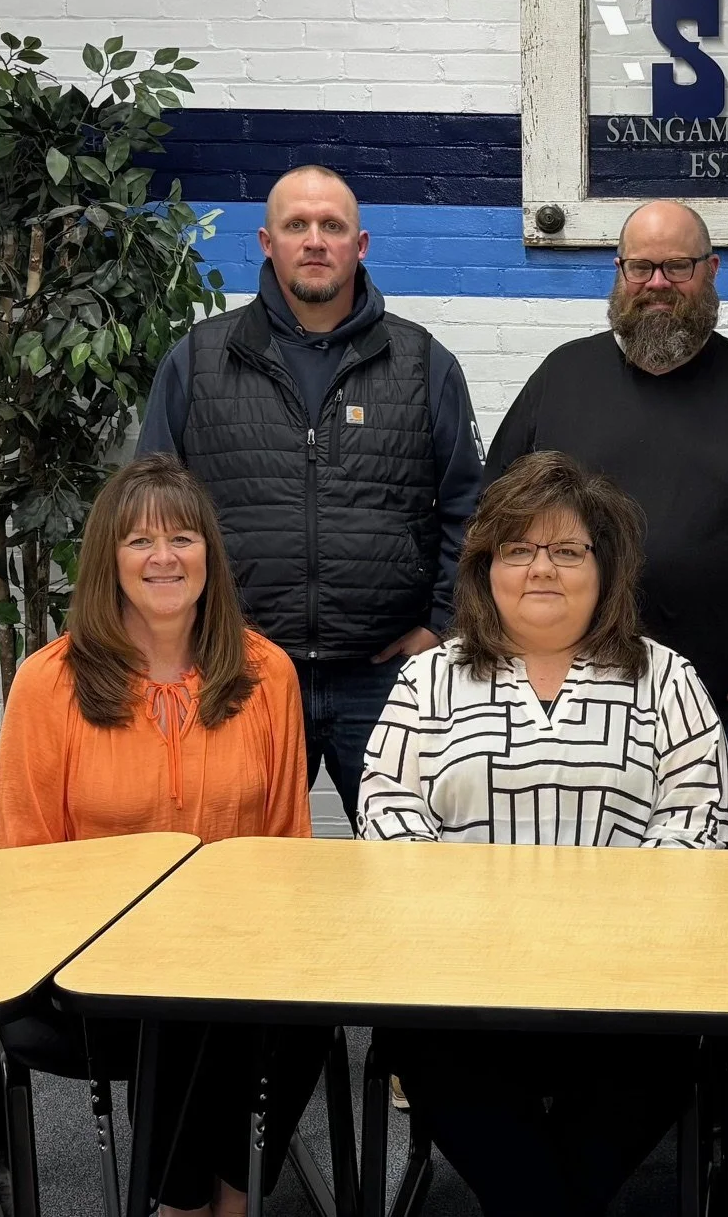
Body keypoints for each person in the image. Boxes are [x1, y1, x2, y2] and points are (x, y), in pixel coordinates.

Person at [357, 450, 728, 1216]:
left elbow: (697, 827)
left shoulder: (667, 679)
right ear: (486, 568)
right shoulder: (430, 678)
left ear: (607, 567)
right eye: (519, 549)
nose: (542, 570)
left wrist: (603, 936)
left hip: (627, 988)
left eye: (567, 551)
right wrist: (478, 930)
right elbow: (387, 815)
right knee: (428, 1053)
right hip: (460, 985)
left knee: (663, 1060)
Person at [0, 454, 319, 1217]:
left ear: (210, 555)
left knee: (304, 1009)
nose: (164, 557)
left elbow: (284, 848)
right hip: (85, 962)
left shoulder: (268, 676)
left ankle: (233, 1196)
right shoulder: (50, 682)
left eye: (182, 538)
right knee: (184, 1003)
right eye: (139, 541)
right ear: (109, 559)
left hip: (235, 949)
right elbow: (19, 862)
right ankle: (180, 1206)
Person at [137, 163, 483, 823]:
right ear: (268, 243)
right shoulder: (199, 360)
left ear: (361, 245)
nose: (315, 240)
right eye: (297, 225)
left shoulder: (423, 363)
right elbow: (151, 515)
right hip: (241, 674)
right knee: (235, 865)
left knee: (405, 870)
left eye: (333, 226)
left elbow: (471, 510)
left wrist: (440, 626)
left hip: (384, 678)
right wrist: (193, 636)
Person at [484, 198, 728, 731]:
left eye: (678, 266)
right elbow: (494, 519)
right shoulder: (561, 377)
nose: (657, 284)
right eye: (641, 267)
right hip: (573, 694)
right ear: (619, 271)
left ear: (711, 270)